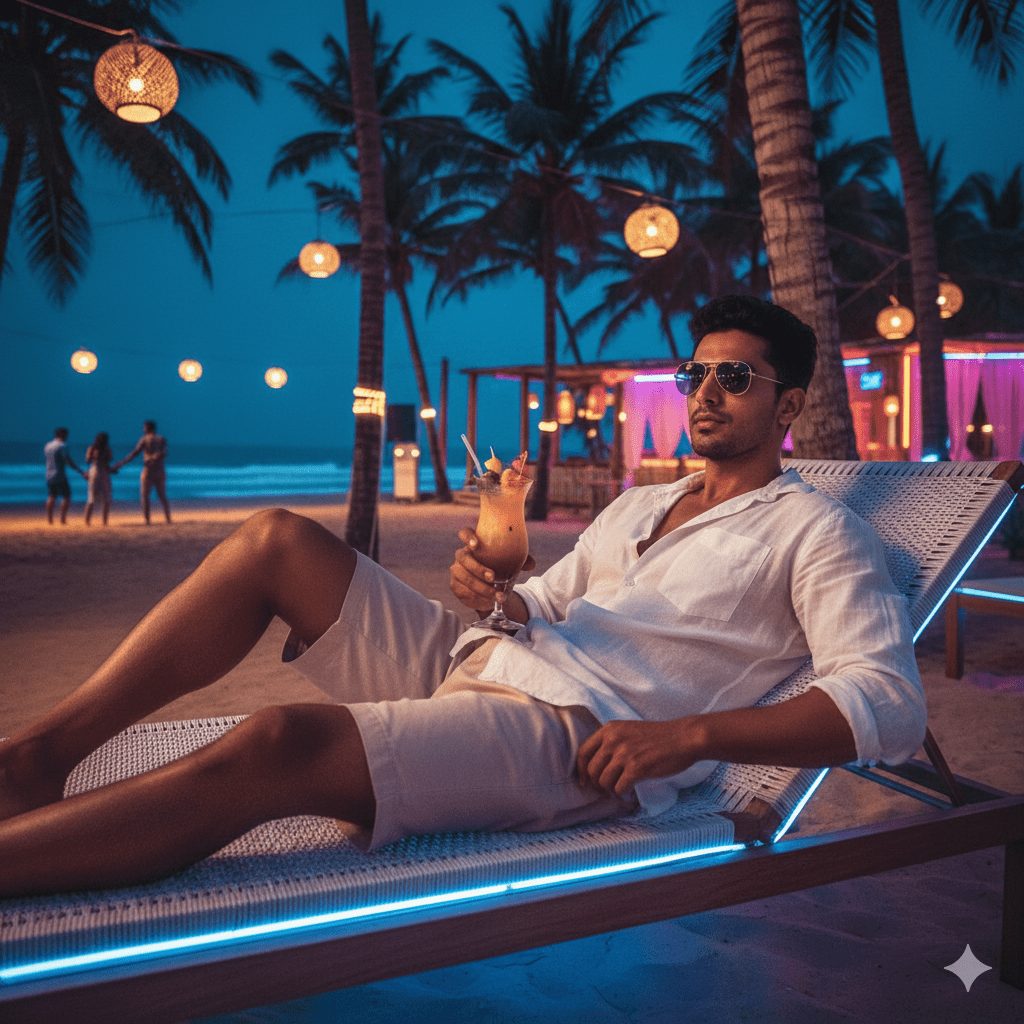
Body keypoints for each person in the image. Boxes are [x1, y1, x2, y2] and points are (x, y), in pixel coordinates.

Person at [0, 296, 927, 897]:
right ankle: (47, 754)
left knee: (279, 740)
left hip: (574, 736)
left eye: (737, 377)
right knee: (274, 541)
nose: (705, 392)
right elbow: (548, 603)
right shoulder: (642, 505)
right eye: (694, 373)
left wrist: (688, 736)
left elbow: (884, 702)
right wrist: (496, 591)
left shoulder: (817, 533)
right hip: (488, 659)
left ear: (789, 405)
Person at [114, 420, 171, 524]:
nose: (143, 429)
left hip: (149, 469)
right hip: (159, 470)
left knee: (145, 495)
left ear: (148, 428)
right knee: (162, 495)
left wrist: (121, 463)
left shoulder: (145, 439)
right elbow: (165, 452)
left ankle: (147, 519)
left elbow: (134, 453)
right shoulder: (161, 439)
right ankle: (167, 518)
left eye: (144, 427)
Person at [43, 427, 86, 526]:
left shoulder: (48, 445)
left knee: (51, 496)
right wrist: (80, 471)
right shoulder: (62, 446)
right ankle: (62, 519)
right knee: (67, 496)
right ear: (62, 435)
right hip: (59, 474)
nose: (67, 437)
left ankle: (50, 519)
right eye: (66, 435)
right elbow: (68, 460)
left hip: (49, 474)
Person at [84, 432, 117, 527]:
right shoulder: (105, 449)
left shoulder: (92, 448)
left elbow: (87, 461)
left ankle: (88, 521)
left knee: (92, 498)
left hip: (95, 471)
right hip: (102, 472)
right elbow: (107, 462)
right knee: (105, 498)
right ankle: (104, 521)